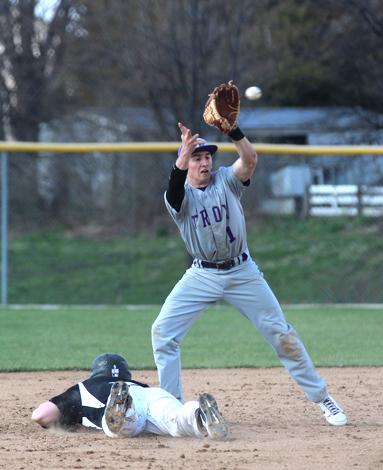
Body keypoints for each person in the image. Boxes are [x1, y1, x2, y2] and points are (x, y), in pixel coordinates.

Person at [151, 121, 348, 426]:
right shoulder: (179, 197)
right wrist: (181, 156)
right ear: (185, 163)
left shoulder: (225, 180)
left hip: (243, 271)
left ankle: (323, 398)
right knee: (162, 333)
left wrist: (234, 131)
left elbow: (250, 160)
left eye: (207, 157)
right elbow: (174, 187)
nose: (205, 162)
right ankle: (173, 413)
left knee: (281, 334)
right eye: (197, 157)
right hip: (202, 275)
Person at [31, 352, 229, 439]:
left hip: (116, 401)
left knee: (123, 427)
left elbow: (41, 416)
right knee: (176, 420)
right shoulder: (139, 384)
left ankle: (123, 409)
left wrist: (69, 419)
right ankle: (198, 414)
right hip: (152, 395)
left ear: (95, 373)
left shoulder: (83, 388)